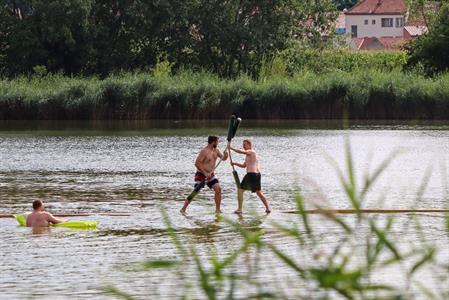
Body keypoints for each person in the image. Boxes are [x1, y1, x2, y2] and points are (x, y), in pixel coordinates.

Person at [180, 135, 228, 214]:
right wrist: (205, 173)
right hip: (201, 174)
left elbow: (223, 159)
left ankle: (218, 210)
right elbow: (197, 163)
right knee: (196, 191)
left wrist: (226, 156)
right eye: (217, 142)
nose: (218, 143)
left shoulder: (216, 150)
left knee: (218, 189)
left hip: (211, 175)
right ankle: (183, 209)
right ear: (213, 142)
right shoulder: (204, 151)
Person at [230, 139, 271, 214]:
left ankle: (239, 209)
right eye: (243, 145)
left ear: (249, 144)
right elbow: (244, 166)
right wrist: (234, 163)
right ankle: (268, 208)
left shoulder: (251, 152)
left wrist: (231, 148)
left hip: (251, 175)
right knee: (258, 192)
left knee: (240, 190)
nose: (243, 146)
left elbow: (241, 152)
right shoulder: (248, 155)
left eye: (244, 145)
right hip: (256, 175)